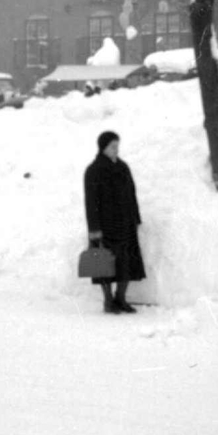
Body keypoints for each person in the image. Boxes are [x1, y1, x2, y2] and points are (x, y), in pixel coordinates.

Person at [83, 130, 146, 314]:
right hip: (106, 227)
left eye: (117, 146)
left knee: (126, 264)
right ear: (103, 147)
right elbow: (91, 203)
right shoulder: (93, 171)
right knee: (105, 264)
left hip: (126, 225)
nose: (116, 149)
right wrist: (94, 230)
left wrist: (135, 218)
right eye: (112, 146)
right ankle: (108, 301)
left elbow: (131, 194)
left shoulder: (123, 167)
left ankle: (121, 298)